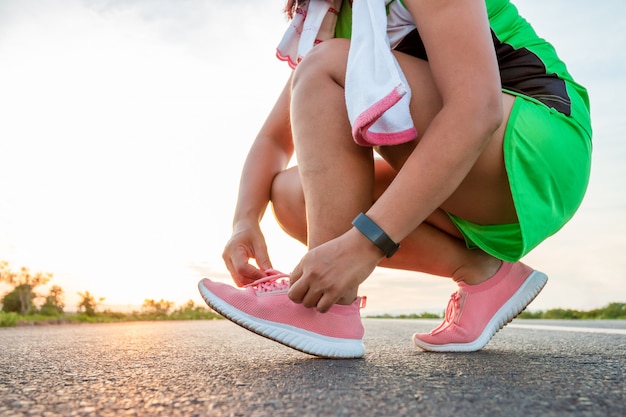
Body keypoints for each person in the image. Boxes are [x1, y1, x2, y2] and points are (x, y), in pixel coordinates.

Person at [198, 0, 592, 358]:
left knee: (328, 66)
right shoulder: (338, 21)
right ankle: (482, 273)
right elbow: (273, 138)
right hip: (476, 178)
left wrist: (364, 245)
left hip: (538, 143)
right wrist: (244, 221)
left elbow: (477, 109)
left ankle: (329, 308)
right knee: (291, 197)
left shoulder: (337, 50)